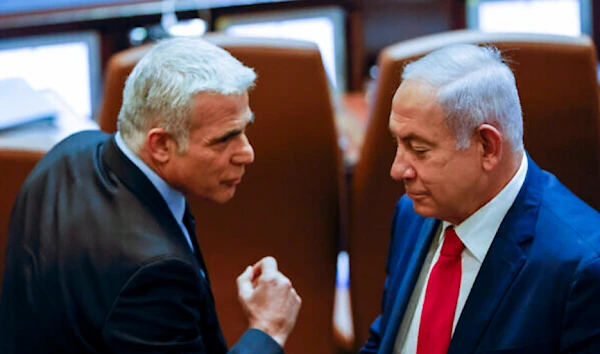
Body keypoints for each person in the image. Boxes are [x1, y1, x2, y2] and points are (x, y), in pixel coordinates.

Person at [0, 37, 301, 353]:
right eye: (225, 139)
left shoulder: (67, 152)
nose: (247, 153)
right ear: (160, 145)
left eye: (244, 129)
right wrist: (268, 329)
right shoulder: (152, 272)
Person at [360, 44, 600, 354]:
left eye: (419, 149)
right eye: (397, 143)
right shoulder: (412, 213)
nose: (397, 170)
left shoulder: (582, 268)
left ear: (487, 147)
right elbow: (386, 340)